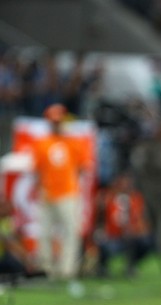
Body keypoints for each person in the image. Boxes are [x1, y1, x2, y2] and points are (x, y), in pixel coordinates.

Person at [31, 103, 91, 293]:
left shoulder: (74, 142)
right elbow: (37, 170)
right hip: (47, 192)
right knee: (45, 233)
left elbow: (82, 166)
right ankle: (46, 269)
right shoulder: (42, 143)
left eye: (58, 121)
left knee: (71, 231)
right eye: (52, 121)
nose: (56, 124)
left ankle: (67, 269)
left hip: (68, 193)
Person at [93, 171, 152, 278]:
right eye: (122, 182)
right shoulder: (107, 197)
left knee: (146, 241)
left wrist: (135, 230)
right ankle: (102, 266)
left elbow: (143, 224)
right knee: (101, 241)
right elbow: (98, 223)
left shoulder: (135, 198)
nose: (124, 185)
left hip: (129, 239)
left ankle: (131, 265)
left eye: (127, 182)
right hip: (111, 238)